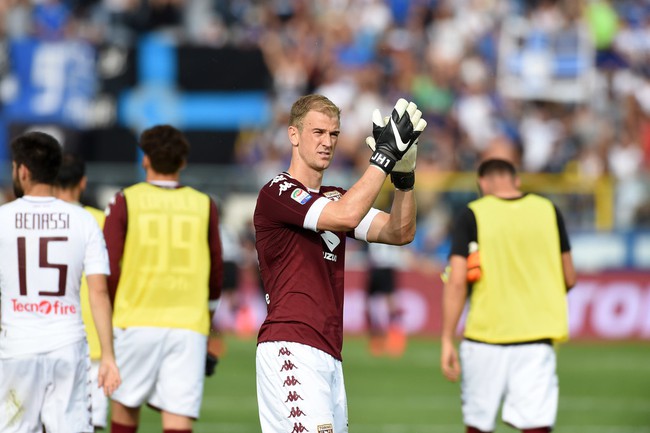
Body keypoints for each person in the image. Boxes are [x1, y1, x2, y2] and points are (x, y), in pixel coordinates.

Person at [254, 94, 426, 433]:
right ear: (293, 135)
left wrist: (403, 179)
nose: (326, 142)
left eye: (333, 134)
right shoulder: (278, 191)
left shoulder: (334, 195)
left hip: (328, 351)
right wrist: (385, 157)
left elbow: (400, 232)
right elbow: (346, 215)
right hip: (291, 344)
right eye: (317, 132)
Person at [440, 158, 577, 433]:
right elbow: (569, 278)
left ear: (482, 183)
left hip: (485, 337)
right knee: (536, 426)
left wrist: (446, 339)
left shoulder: (472, 214)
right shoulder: (548, 210)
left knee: (478, 426)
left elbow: (456, 282)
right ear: (516, 180)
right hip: (536, 337)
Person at [103, 124, 223, 433]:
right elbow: (216, 274)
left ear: (145, 159)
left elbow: (109, 268)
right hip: (188, 325)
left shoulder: (125, 200)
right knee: (178, 417)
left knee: (125, 409)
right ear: (183, 162)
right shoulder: (203, 204)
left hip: (135, 318)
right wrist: (206, 321)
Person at [0, 131, 121, 432]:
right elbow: (98, 293)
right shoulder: (83, 221)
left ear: (23, 171)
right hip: (67, 345)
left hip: (17, 346)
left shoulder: (3, 218)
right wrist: (108, 355)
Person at [54, 152, 110, 431]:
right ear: (83, 182)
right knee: (90, 423)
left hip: (48, 334)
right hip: (94, 338)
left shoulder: (34, 219)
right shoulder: (100, 220)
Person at [365, 241, 407, 357]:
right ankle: (377, 339)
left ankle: (394, 337)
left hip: (386, 266)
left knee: (389, 302)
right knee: (373, 303)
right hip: (375, 267)